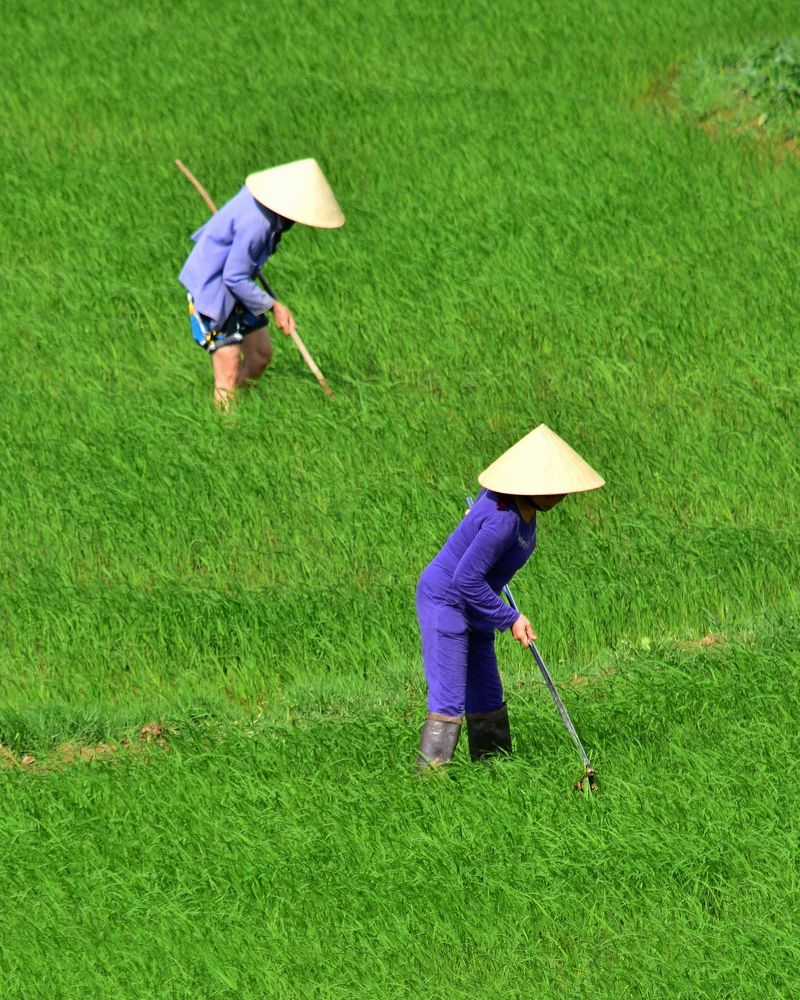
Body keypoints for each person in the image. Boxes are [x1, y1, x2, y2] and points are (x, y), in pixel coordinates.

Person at [415, 424, 605, 768]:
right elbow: (465, 579)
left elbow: (480, 514)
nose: (561, 496)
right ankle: (430, 782)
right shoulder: (504, 521)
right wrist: (511, 618)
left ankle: (495, 776)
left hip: (477, 606)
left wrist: (475, 521)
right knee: (449, 700)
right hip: (447, 600)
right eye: (554, 488)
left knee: (488, 696)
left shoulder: (521, 510)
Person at [179, 158, 344, 407]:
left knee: (259, 357)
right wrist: (274, 306)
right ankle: (226, 423)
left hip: (239, 287)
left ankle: (238, 410)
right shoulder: (259, 224)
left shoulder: (268, 215)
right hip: (213, 290)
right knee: (228, 369)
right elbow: (233, 276)